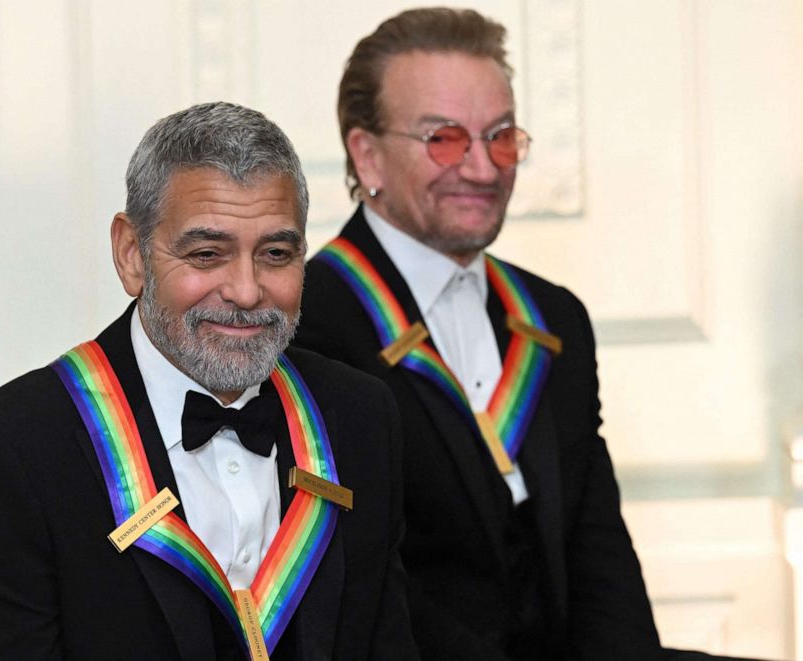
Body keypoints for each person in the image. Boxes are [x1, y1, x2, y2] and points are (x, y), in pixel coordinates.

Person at [294, 8, 763, 661]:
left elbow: (599, 559)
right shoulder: (307, 323)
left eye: (502, 136)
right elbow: (364, 586)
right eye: (445, 139)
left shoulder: (553, 315)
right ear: (366, 152)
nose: (485, 170)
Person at [0, 102, 417, 660]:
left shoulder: (359, 417)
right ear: (132, 256)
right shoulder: (9, 455)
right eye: (207, 254)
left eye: (276, 254)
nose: (247, 292)